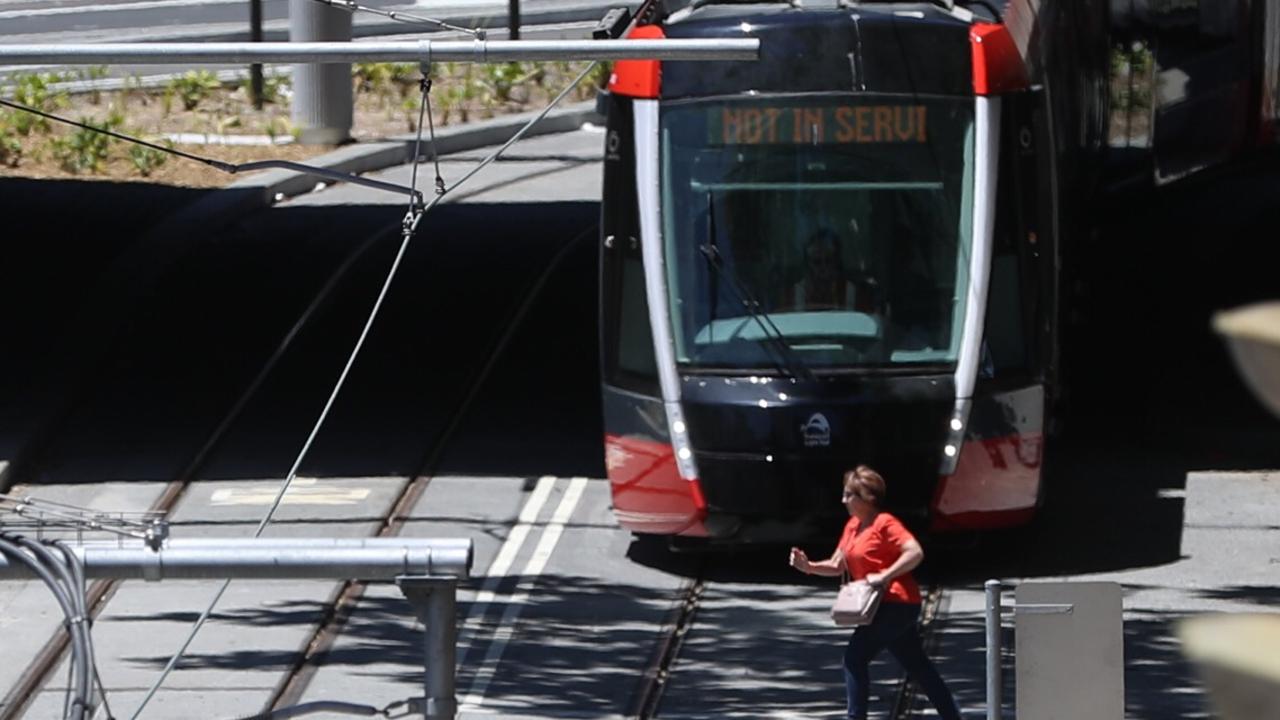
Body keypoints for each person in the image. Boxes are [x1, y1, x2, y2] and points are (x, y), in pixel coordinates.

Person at [789, 465, 962, 720]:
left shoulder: (884, 523)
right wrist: (809, 567)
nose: (843, 500)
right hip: (881, 606)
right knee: (918, 666)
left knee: (854, 658)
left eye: (849, 495)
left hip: (897, 603)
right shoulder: (852, 527)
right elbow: (838, 565)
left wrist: (885, 575)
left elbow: (915, 552)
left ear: (867, 498)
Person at [784, 228, 877, 313]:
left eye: (828, 261)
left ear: (836, 261)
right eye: (817, 262)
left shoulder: (855, 294)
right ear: (808, 264)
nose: (823, 267)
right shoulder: (793, 295)